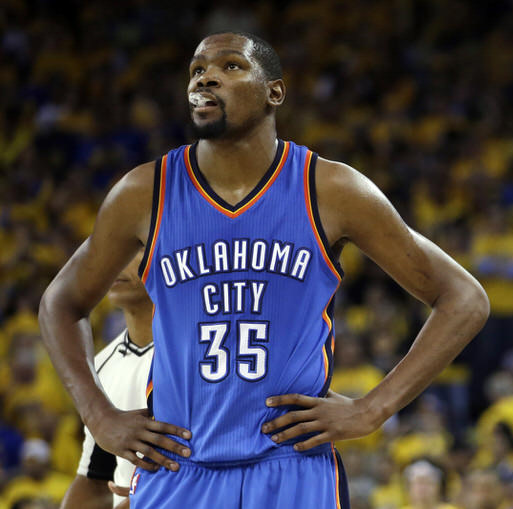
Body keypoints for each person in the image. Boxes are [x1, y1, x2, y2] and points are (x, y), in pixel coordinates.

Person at [38, 31, 489, 509]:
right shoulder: (143, 192)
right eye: (196, 70)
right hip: (178, 469)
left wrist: (373, 409)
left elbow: (464, 298)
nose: (206, 76)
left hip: (291, 468)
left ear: (275, 91)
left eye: (230, 66)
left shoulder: (330, 188)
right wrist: (99, 416)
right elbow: (60, 303)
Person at [60, 249, 153, 509]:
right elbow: (94, 478)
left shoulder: (199, 350)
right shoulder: (101, 363)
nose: (117, 257)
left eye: (136, 248)